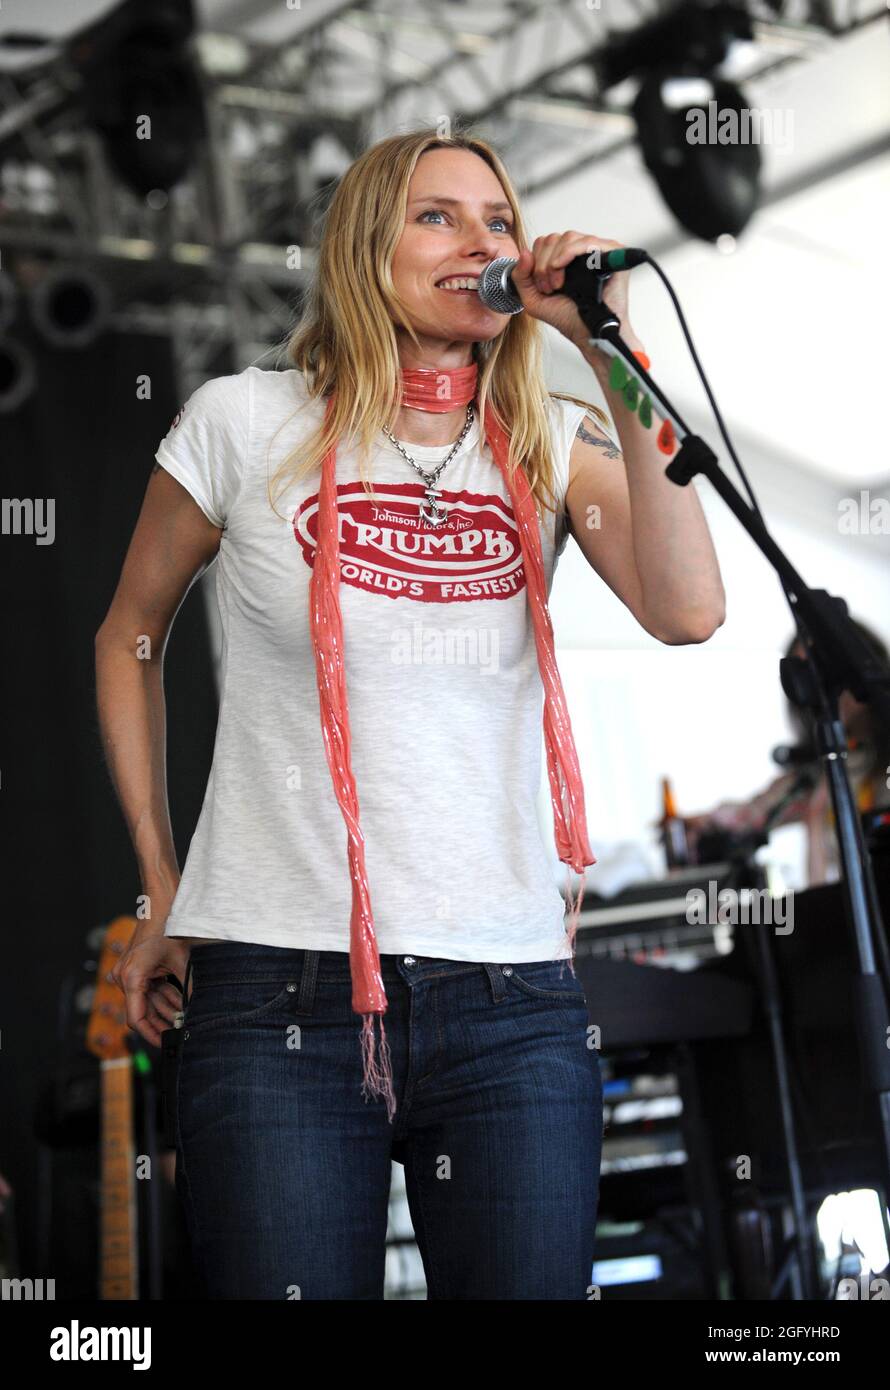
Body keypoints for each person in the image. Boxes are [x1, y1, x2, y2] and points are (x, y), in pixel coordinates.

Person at [94, 127, 725, 1300]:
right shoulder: (245, 420)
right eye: (438, 216)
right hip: (277, 986)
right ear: (359, 248)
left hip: (512, 998)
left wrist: (611, 347)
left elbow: (688, 610)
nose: (481, 240)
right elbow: (126, 638)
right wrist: (159, 882)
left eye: (496, 219)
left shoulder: (550, 438)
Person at [683, 619, 890, 885]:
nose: (824, 689)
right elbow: (754, 814)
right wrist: (703, 823)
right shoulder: (819, 770)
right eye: (809, 678)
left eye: (827, 669)